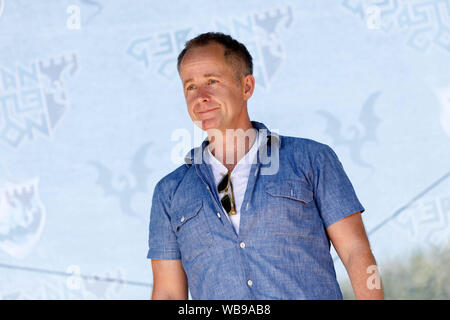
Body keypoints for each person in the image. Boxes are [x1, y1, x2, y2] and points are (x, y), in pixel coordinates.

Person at [147, 32, 383, 300]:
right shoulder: (170, 192)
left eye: (212, 81)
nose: (200, 96)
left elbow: (356, 253)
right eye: (190, 86)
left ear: (246, 87)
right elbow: (167, 292)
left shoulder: (311, 159)